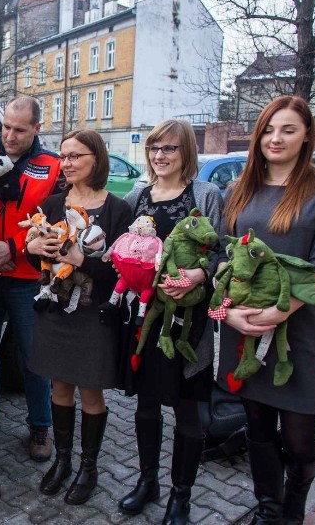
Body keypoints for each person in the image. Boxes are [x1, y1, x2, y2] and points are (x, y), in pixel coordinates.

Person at [217, 96, 315, 524]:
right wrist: (227, 312)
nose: (276, 138)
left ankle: (295, 501)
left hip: (301, 328)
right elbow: (223, 256)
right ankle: (271, 509)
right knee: (256, 425)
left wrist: (279, 310)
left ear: (307, 134)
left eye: (288, 129)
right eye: (269, 129)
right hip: (243, 326)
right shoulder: (240, 188)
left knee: (297, 436)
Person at [116, 120, 223, 524]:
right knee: (146, 403)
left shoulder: (206, 194)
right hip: (147, 317)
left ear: (187, 153)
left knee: (187, 408)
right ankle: (148, 482)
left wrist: (201, 275)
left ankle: (182, 495)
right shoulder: (139, 195)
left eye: (170, 149)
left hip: (190, 319)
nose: (160, 156)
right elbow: (121, 241)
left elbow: (222, 248)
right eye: (155, 148)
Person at [25, 129, 132, 505]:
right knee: (59, 388)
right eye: (64, 156)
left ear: (96, 159)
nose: (67, 163)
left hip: (93, 314)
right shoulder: (53, 203)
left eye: (75, 156)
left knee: (90, 392)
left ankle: (89, 467)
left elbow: (124, 275)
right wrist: (33, 247)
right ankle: (63, 461)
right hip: (56, 309)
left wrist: (81, 260)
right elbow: (35, 255)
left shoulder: (118, 209)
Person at [0, 96, 61, 460]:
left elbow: (54, 224)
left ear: (36, 129)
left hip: (27, 278)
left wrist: (14, 248)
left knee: (32, 357)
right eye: (6, 126)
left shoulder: (51, 166)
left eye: (19, 129)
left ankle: (40, 426)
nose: (9, 135)